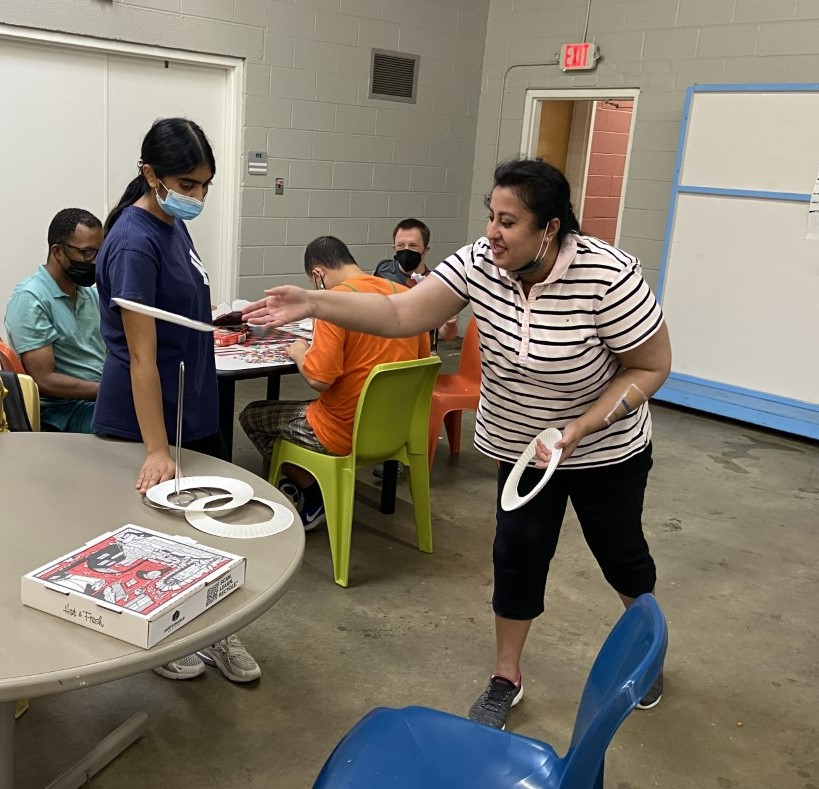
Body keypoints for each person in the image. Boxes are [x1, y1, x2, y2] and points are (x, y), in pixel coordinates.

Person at [241, 158, 672, 729]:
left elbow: (651, 365)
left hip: (603, 448)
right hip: (525, 448)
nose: (492, 232)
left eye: (508, 222)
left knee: (620, 553)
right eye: (491, 216)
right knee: (517, 558)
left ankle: (646, 653)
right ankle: (505, 677)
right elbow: (398, 311)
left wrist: (580, 428)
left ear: (550, 228)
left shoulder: (607, 276)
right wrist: (317, 302)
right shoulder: (480, 263)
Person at [94, 117, 260, 684]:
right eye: (188, 185)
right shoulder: (134, 241)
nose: (198, 197)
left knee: (204, 529)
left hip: (192, 402)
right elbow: (141, 357)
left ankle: (213, 630)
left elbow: (177, 311)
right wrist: (157, 450)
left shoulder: (172, 224)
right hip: (149, 415)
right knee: (158, 539)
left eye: (205, 186)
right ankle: (165, 637)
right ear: (151, 174)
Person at [239, 235, 431, 530]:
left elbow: (319, 379)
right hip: (396, 429)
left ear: (318, 274)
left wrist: (299, 351)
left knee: (252, 415)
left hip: (340, 431)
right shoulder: (403, 296)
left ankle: (313, 492)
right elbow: (422, 359)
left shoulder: (331, 305)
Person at [4, 208, 105, 433]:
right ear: (58, 252)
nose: (96, 261)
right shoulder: (31, 299)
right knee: (136, 426)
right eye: (88, 253)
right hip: (61, 412)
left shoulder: (92, 296)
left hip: (96, 402)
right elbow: (44, 380)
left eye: (100, 252)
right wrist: (109, 390)